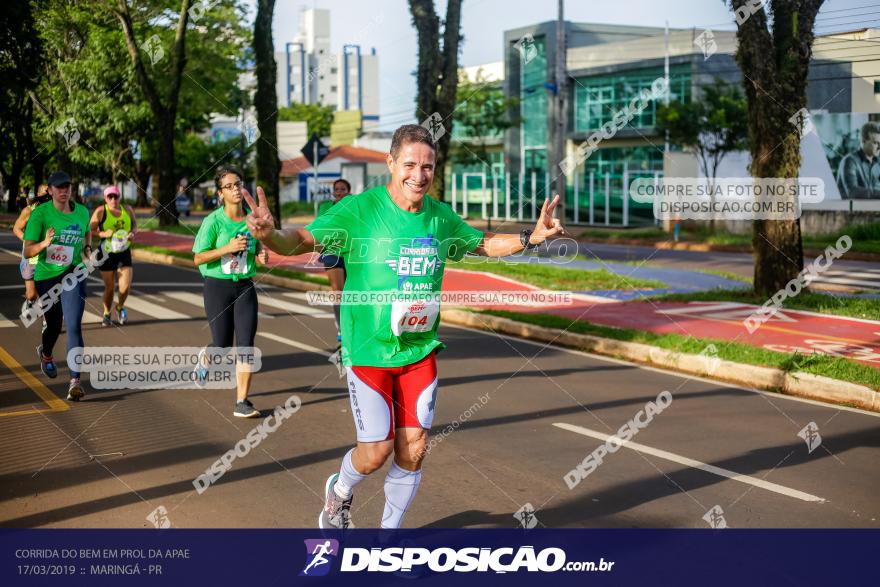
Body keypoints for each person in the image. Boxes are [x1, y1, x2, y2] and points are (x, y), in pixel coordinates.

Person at [243, 124, 564, 529]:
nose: (419, 175)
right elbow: (300, 241)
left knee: (413, 447)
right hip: (368, 349)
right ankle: (339, 493)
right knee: (375, 451)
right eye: (410, 164)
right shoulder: (359, 210)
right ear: (391, 163)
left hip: (418, 349)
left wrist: (529, 237)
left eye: (427, 166)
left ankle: (389, 539)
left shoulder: (439, 217)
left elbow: (481, 244)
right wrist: (270, 234)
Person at [192, 166, 269, 418]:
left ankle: (242, 402)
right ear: (220, 193)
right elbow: (198, 257)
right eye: (229, 186)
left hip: (245, 285)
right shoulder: (213, 221)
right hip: (218, 286)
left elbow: (257, 247)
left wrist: (261, 254)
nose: (236, 189)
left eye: (238, 183)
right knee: (223, 346)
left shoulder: (252, 218)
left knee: (246, 344)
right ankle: (206, 357)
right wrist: (227, 248)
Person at [23, 171, 92, 401]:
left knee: (73, 325)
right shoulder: (41, 214)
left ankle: (75, 382)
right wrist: (45, 243)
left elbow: (87, 233)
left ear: (71, 189)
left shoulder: (82, 212)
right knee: (53, 325)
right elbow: (28, 250)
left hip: (73, 272)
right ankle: (47, 353)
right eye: (59, 187)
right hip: (47, 276)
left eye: (67, 187)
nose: (64, 191)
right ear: (50, 190)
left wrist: (88, 249)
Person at [90, 186, 137, 326]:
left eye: (115, 197)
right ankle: (106, 313)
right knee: (110, 287)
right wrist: (103, 234)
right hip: (106, 253)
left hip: (124, 251)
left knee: (125, 286)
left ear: (119, 197)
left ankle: (120, 307)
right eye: (110, 197)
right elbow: (90, 230)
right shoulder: (100, 211)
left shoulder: (127, 210)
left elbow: (134, 225)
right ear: (105, 198)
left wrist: (133, 233)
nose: (113, 199)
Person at [316, 178, 353, 354]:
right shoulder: (325, 207)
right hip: (332, 253)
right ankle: (341, 330)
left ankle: (354, 330)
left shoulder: (355, 206)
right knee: (338, 292)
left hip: (352, 253)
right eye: (337, 189)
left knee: (352, 292)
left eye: (343, 189)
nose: (339, 192)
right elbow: (320, 227)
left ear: (349, 191)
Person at [13, 184, 51, 319]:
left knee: (47, 293)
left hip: (48, 259)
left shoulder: (56, 211)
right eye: (46, 195)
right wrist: (28, 238)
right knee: (31, 294)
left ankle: (47, 323)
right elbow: (16, 228)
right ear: (39, 196)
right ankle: (30, 301)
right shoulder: (29, 211)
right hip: (31, 257)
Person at [837, 121, 880, 199]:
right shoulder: (849, 161)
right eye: (876, 143)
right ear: (863, 141)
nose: (879, 147)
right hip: (848, 210)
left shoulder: (876, 163)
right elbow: (853, 192)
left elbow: (877, 188)